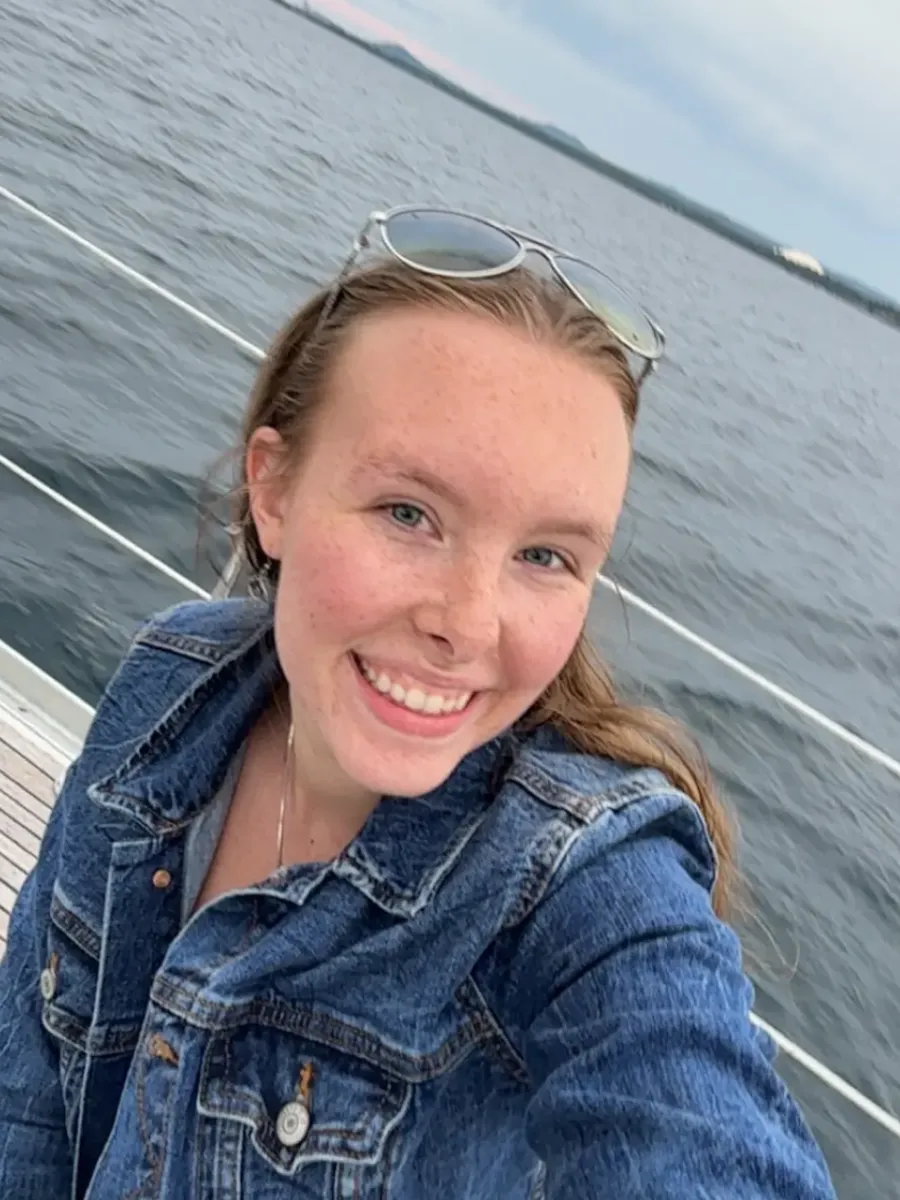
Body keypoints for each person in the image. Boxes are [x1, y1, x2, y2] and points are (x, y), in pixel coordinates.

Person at [0, 205, 836, 1199]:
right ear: (274, 491)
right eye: (410, 512)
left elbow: (695, 1128)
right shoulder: (166, 684)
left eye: (545, 556)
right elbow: (31, 1099)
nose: (469, 624)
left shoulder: (581, 887)